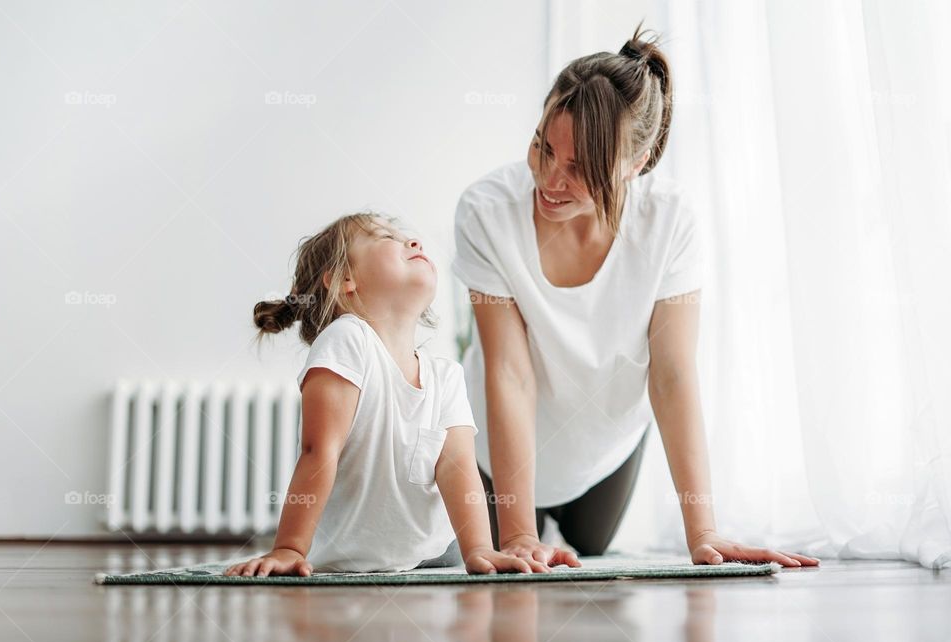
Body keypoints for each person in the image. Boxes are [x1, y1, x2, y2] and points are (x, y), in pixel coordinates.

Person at [452, 24, 820, 570]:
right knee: (484, 561)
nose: (549, 178)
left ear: (639, 161)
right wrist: (519, 531)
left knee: (593, 563)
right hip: (492, 457)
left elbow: (671, 375)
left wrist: (705, 532)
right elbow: (509, 371)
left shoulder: (669, 222)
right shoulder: (487, 210)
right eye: (541, 146)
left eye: (579, 168)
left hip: (605, 451)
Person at [225, 213, 536, 576]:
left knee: (453, 545)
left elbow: (459, 467)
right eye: (386, 237)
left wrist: (480, 548)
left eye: (407, 236)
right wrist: (289, 548)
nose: (414, 242)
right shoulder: (346, 341)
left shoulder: (446, 374)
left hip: (435, 553)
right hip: (349, 556)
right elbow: (317, 451)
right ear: (344, 279)